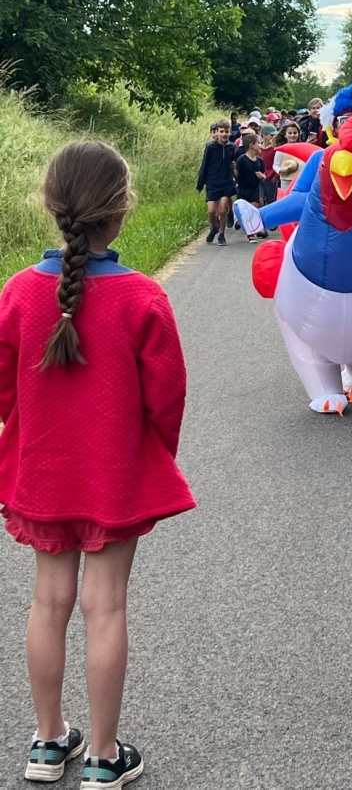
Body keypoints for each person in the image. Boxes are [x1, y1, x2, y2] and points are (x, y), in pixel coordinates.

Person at [0, 141, 196, 788]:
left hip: (41, 475)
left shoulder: (19, 294)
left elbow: (3, 391)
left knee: (47, 603)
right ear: (121, 212)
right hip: (113, 476)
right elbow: (167, 399)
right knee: (105, 607)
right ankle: (105, 757)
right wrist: (151, 457)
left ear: (52, 206)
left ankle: (48, 743)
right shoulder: (142, 299)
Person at [196, 120, 236, 246]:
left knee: (223, 210)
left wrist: (234, 170)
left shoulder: (232, 147)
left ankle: (221, 234)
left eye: (226, 131)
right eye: (221, 131)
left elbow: (234, 165)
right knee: (212, 211)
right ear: (217, 132)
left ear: (230, 132)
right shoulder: (210, 147)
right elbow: (204, 165)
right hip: (213, 182)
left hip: (226, 182)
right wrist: (200, 183)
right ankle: (214, 226)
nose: (224, 134)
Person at [235, 134, 268, 243]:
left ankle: (251, 234)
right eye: (259, 143)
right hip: (243, 189)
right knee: (244, 210)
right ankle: (240, 221)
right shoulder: (242, 160)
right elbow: (237, 174)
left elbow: (264, 175)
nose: (260, 145)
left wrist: (262, 177)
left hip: (255, 188)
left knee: (253, 208)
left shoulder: (259, 161)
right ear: (251, 145)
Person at [259, 127, 279, 206]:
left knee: (271, 201)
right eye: (272, 135)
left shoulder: (275, 149)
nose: (273, 137)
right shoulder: (258, 147)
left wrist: (276, 176)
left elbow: (278, 163)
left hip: (271, 178)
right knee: (260, 200)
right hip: (260, 177)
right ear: (264, 135)